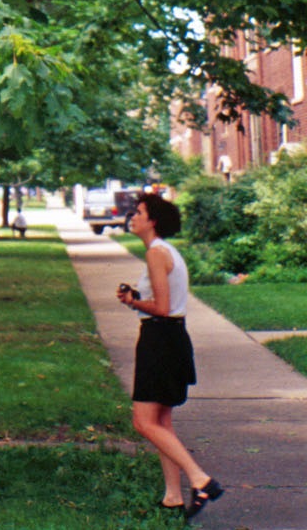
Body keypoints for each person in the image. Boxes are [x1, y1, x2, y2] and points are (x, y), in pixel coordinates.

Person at [116, 193, 224, 517]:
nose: (132, 217)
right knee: (161, 420)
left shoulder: (156, 253)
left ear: (152, 221)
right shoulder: (166, 252)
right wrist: (136, 297)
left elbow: (161, 308)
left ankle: (200, 479)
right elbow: (166, 301)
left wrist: (134, 302)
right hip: (171, 337)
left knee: (143, 421)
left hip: (159, 339)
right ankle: (172, 497)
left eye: (138, 212)